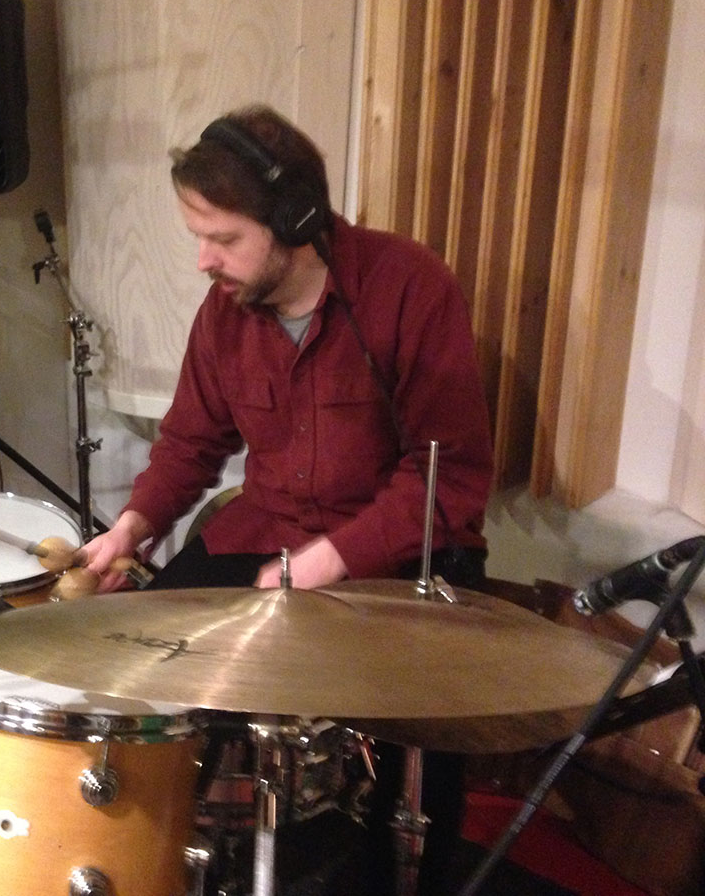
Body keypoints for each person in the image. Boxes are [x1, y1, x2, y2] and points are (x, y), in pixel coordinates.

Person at [79, 104, 495, 895]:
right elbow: (189, 443)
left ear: (297, 221)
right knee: (137, 655)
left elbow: (451, 476)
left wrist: (329, 560)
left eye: (224, 239)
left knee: (419, 758)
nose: (203, 261)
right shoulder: (224, 313)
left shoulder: (410, 287)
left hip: (394, 553)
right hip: (264, 534)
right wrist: (131, 528)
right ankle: (172, 849)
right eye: (198, 237)